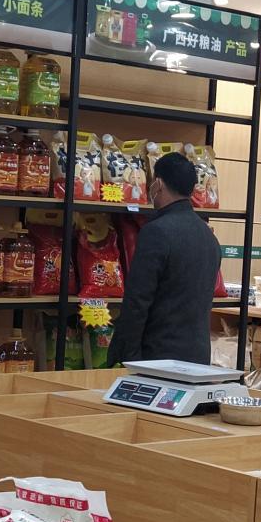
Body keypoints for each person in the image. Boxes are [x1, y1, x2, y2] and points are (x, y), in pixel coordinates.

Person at [112, 152, 221, 364]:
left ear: (158, 184)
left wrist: (128, 356)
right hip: (198, 357)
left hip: (157, 357)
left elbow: (137, 301)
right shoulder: (208, 236)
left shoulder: (156, 232)